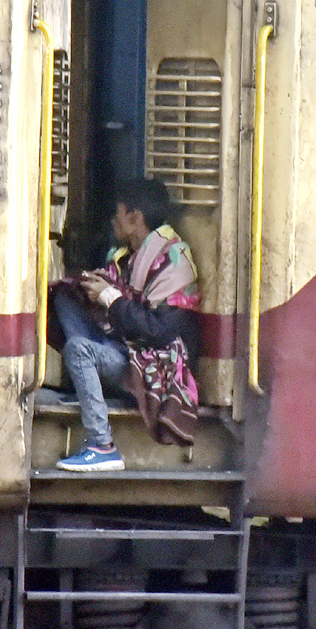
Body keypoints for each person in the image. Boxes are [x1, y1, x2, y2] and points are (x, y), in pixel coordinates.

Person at [51, 177, 200, 471]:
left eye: (117, 214)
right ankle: (84, 381)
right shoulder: (127, 256)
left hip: (145, 363)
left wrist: (110, 297)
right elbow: (119, 297)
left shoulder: (175, 261)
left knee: (79, 349)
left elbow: (156, 333)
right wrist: (92, 288)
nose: (112, 221)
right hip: (119, 346)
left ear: (134, 218)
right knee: (64, 300)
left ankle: (102, 444)